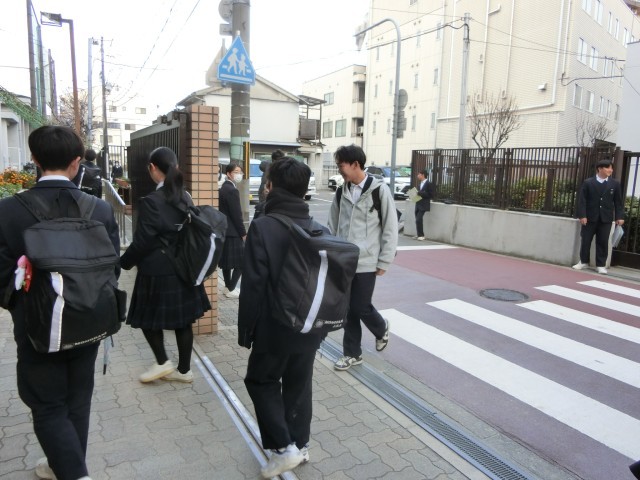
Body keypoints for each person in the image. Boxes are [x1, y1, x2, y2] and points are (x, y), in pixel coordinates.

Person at [0, 125, 120, 480]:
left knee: (48, 404)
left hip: (37, 327)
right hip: (89, 319)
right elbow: (112, 266)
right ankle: (64, 465)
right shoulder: (99, 209)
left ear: (34, 159)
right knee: (78, 400)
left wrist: (22, 303)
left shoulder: (8, 211)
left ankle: (72, 472)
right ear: (76, 162)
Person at [238, 157, 326, 478]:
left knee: (261, 380)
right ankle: (301, 445)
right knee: (299, 384)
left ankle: (283, 448)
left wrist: (246, 331)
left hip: (274, 328)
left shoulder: (263, 227)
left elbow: (253, 286)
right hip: (310, 326)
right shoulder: (319, 228)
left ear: (271, 186)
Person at [120, 147, 211, 383]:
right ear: (175, 167)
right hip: (182, 268)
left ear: (152, 168)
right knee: (183, 322)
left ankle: (162, 362)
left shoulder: (151, 201)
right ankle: (185, 371)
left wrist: (123, 263)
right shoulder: (185, 196)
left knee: (146, 318)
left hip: (156, 270)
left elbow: (142, 242)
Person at [328, 144, 397, 371]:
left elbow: (390, 228)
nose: (339, 170)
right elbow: (332, 225)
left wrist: (384, 260)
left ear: (355, 164)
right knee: (348, 309)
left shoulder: (378, 191)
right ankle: (352, 354)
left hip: (367, 261)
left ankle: (380, 328)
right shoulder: (341, 192)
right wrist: (331, 255)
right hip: (344, 262)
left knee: (360, 306)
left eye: (341, 165)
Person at [573, 159, 624, 275]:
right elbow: (582, 200)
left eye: (611, 168)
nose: (610, 170)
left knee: (603, 242)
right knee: (586, 240)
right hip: (589, 217)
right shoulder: (588, 182)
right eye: (608, 167)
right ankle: (583, 261)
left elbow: (618, 202)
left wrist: (619, 216)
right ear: (599, 168)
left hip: (606, 218)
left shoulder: (614, 184)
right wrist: (582, 215)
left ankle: (600, 265)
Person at [219, 162, 247, 298]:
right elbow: (237, 215)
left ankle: (227, 287)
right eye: (236, 172)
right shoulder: (232, 190)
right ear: (228, 174)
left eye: (240, 172)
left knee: (226, 263)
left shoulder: (223, 188)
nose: (239, 174)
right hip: (233, 232)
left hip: (225, 230)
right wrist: (243, 233)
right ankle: (231, 288)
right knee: (241, 262)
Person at [413, 168, 435, 241]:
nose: (418, 175)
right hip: (418, 203)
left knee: (418, 219)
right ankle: (419, 234)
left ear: (423, 175)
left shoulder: (429, 184)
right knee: (417, 220)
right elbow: (418, 193)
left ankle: (421, 235)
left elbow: (431, 195)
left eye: (419, 174)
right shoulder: (420, 184)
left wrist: (420, 193)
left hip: (424, 205)